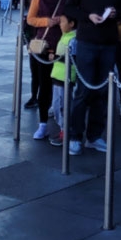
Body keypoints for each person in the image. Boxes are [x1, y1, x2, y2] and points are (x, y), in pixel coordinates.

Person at [64, 0, 121, 155]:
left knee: (101, 92)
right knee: (82, 91)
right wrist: (87, 16)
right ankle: (74, 136)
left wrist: (115, 13)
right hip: (86, 41)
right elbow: (70, 7)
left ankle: (94, 136)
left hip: (109, 42)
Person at [26, 0, 72, 140]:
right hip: (43, 45)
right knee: (44, 86)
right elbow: (31, 19)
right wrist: (47, 22)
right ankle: (43, 123)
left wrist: (64, 21)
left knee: (63, 87)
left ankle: (64, 127)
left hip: (63, 45)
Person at [48, 12, 77, 147]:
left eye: (63, 22)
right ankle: (62, 129)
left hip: (65, 78)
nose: (60, 24)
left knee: (63, 105)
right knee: (56, 105)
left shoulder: (73, 38)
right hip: (57, 76)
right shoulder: (65, 36)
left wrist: (57, 58)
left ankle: (66, 132)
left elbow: (73, 59)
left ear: (71, 24)